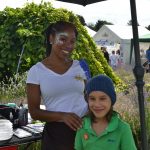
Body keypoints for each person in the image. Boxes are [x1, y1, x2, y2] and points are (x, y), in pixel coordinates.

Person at [26, 21, 89, 150]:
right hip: (57, 135)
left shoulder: (81, 66)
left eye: (72, 41)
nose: (68, 45)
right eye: (63, 39)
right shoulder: (37, 71)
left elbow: (91, 96)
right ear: (51, 38)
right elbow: (34, 112)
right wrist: (62, 116)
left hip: (86, 130)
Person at [74, 75, 137, 150]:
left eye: (102, 98)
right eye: (92, 99)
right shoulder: (82, 126)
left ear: (112, 100)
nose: (97, 104)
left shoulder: (123, 128)